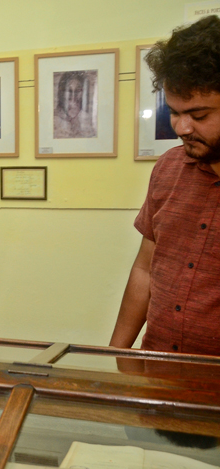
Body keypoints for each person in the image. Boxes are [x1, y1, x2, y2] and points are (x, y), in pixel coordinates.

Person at [110, 16, 220, 356]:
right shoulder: (169, 169)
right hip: (158, 366)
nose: (182, 127)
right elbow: (145, 268)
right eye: (174, 112)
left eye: (199, 115)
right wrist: (115, 355)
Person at [53, 70, 97, 139]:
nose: (73, 96)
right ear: (62, 92)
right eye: (69, 90)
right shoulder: (53, 119)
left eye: (78, 90)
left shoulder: (87, 120)